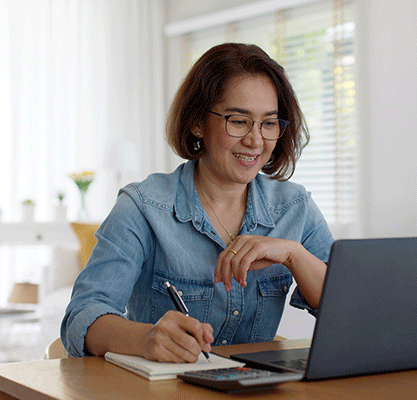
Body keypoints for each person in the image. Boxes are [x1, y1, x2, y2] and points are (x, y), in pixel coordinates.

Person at [61, 43, 334, 362]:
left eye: (269, 123)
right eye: (238, 120)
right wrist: (147, 339)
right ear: (197, 123)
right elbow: (82, 317)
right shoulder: (143, 207)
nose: (256, 140)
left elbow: (352, 312)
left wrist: (293, 253)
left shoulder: (295, 207)